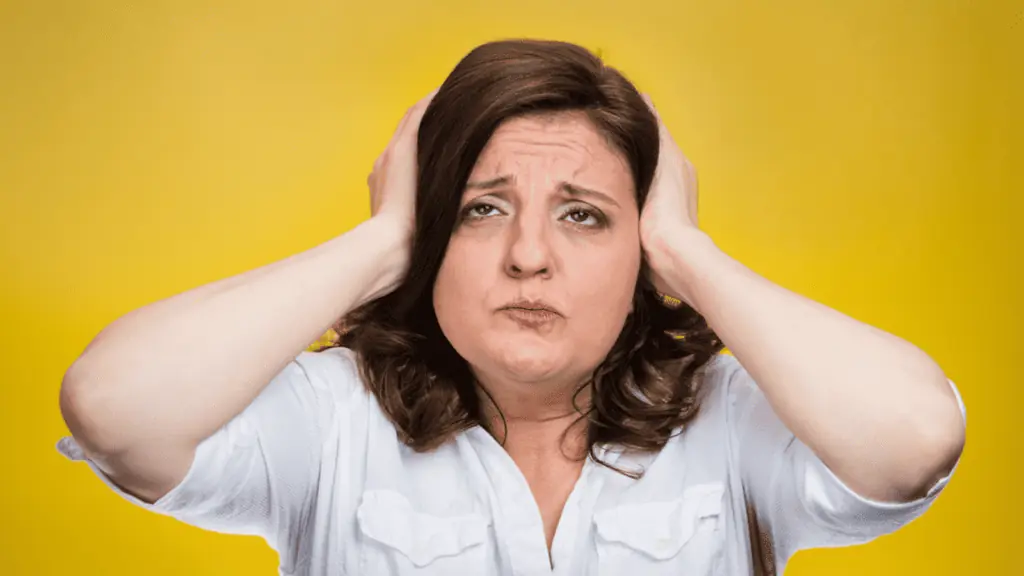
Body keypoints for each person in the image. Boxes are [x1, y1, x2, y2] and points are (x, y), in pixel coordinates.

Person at [57, 39, 966, 575]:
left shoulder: (733, 426)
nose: (529, 255)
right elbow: (114, 407)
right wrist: (382, 240)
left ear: (641, 248)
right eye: (481, 208)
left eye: (584, 215)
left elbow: (914, 440)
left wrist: (690, 252)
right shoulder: (333, 420)